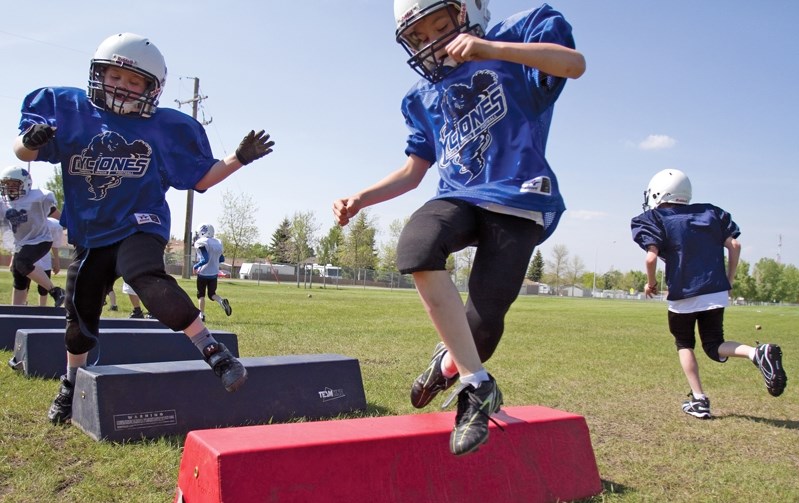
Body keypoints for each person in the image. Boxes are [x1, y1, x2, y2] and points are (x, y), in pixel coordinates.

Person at [333, 1, 585, 455]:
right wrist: (362, 197)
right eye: (418, 36)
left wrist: (491, 48)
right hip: (459, 196)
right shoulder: (421, 96)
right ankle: (477, 387)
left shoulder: (516, 37)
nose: (431, 41)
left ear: (467, 13)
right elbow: (414, 171)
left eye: (440, 26)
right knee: (418, 245)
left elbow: (574, 64)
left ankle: (447, 365)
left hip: (518, 197)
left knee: (483, 328)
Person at [13, 32, 274, 424]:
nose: (122, 86)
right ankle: (70, 384)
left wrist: (238, 158)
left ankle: (213, 351)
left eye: (134, 81)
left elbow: (202, 178)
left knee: (144, 275)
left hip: (140, 222)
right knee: (79, 318)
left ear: (152, 89)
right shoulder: (70, 110)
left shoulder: (162, 128)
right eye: (115, 76)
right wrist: (29, 142)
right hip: (91, 233)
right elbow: (24, 151)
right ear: (97, 74)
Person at [631, 168, 788, 419]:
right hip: (715, 289)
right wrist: (729, 278)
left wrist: (650, 284)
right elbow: (734, 245)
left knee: (684, 343)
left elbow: (651, 258)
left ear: (658, 192)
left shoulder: (653, 218)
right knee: (714, 344)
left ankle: (699, 400)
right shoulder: (711, 212)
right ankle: (756, 352)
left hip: (683, 291)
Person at [0, 166, 66, 307]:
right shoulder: (3, 202)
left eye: (14, 184)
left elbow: (59, 216)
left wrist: (71, 225)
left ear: (26, 183)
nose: (9, 188)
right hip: (21, 243)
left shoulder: (38, 198)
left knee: (22, 263)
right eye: (6, 184)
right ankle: (16, 311)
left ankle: (56, 291)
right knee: (18, 277)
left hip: (40, 239)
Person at [193, 223, 231, 321]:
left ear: (203, 231)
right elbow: (222, 259)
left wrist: (196, 266)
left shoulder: (202, 242)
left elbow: (205, 259)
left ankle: (201, 315)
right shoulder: (217, 242)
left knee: (201, 295)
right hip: (214, 273)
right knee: (212, 294)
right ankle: (221, 301)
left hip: (203, 272)